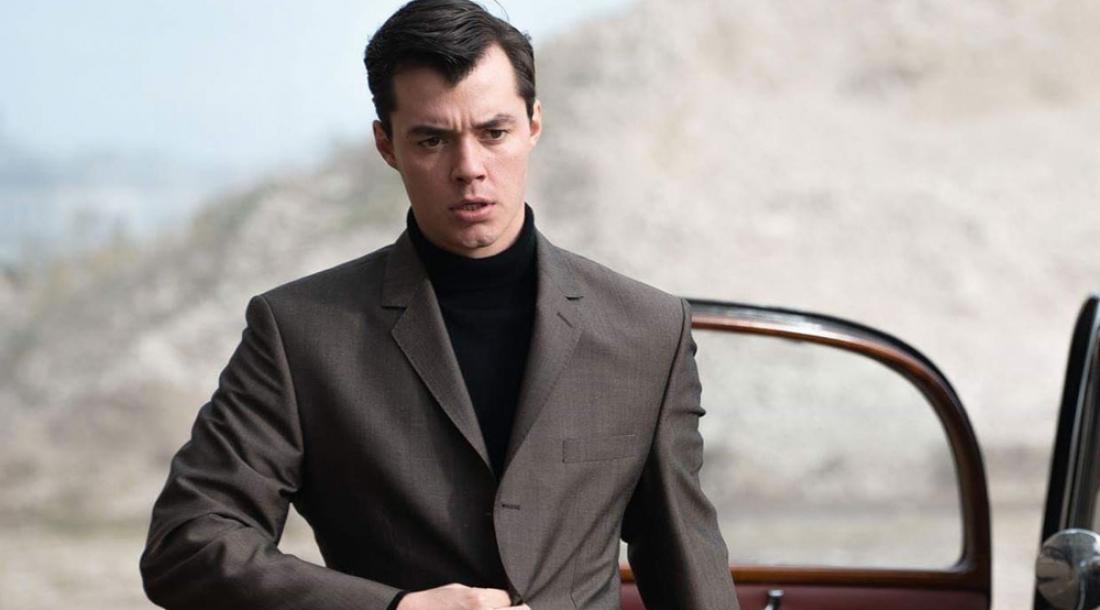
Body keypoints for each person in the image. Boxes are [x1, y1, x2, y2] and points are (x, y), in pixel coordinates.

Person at [139, 1, 739, 608]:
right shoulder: (299, 333)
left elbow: (686, 564)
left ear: (533, 124)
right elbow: (187, 543)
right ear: (386, 144)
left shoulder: (648, 329)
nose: (469, 168)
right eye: (432, 139)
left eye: (494, 133)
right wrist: (396, 608)